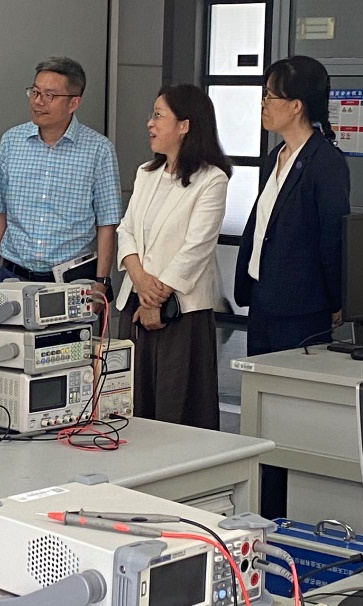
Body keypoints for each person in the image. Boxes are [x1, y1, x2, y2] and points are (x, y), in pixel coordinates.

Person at [115, 84, 231, 430]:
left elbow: (196, 248)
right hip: (135, 305)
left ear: (184, 125)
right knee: (132, 402)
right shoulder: (146, 173)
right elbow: (126, 230)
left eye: (158, 116)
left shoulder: (212, 180)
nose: (149, 123)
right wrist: (140, 283)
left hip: (181, 313)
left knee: (176, 406)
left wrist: (156, 298)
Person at [235, 56, 350, 357]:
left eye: (270, 97)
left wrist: (336, 299)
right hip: (263, 300)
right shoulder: (275, 156)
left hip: (302, 308)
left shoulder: (326, 162)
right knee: (258, 380)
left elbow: (332, 238)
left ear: (296, 105)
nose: (263, 104)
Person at [0, 56, 122, 304]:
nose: (38, 101)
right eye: (35, 92)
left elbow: (107, 223)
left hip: (71, 281)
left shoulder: (99, 150)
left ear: (73, 103)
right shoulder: (11, 141)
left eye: (49, 95)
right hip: (13, 276)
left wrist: (102, 282)